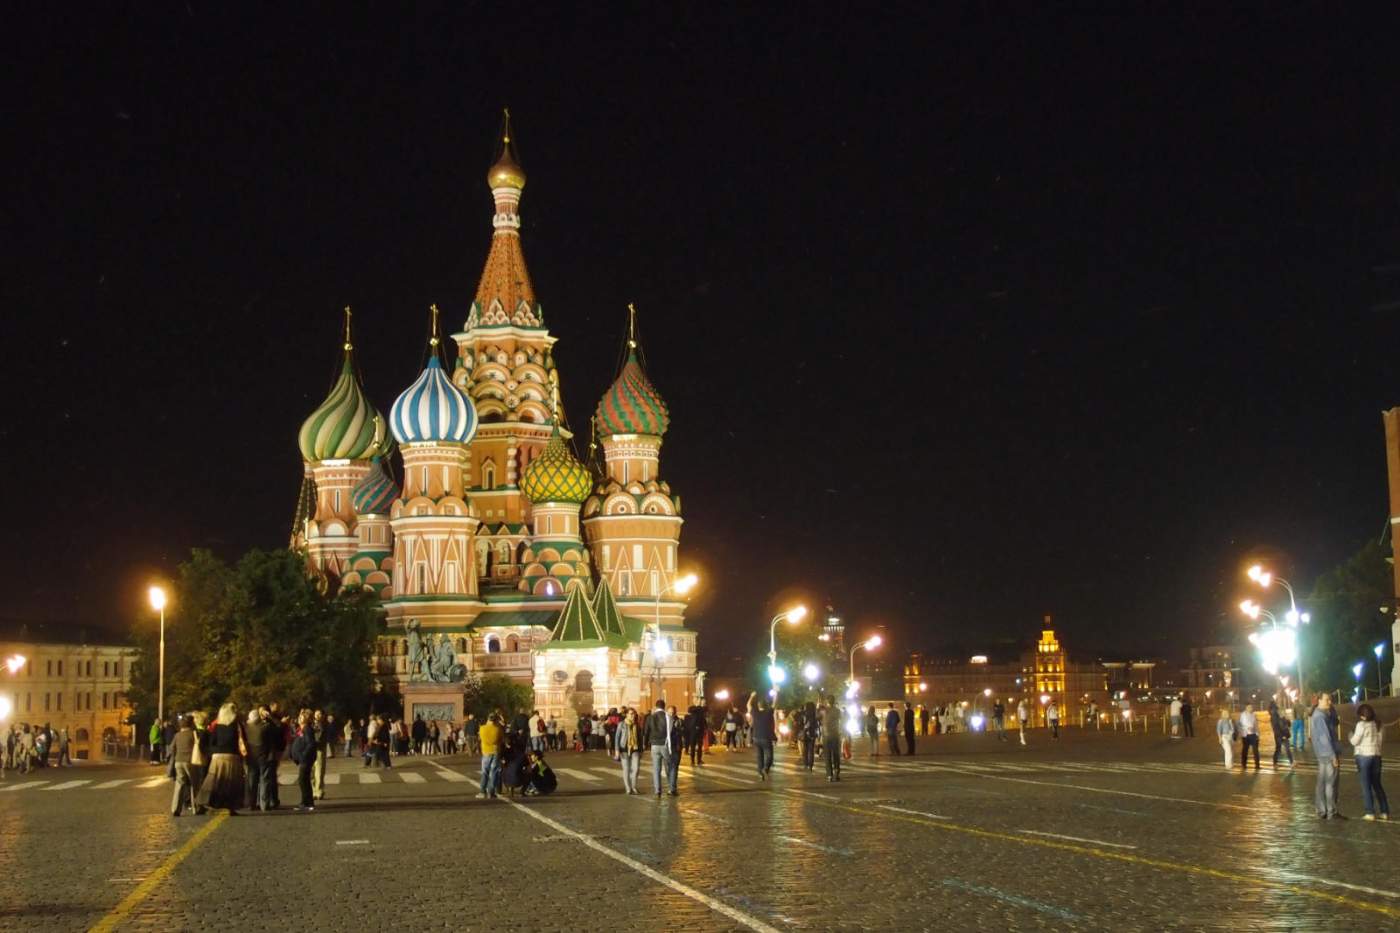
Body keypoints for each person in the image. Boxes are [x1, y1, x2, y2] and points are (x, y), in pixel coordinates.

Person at [196, 703, 246, 816]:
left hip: (218, 757)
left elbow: (211, 741)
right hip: (232, 757)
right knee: (231, 783)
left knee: (214, 782)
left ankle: (207, 803)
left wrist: (211, 752)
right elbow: (242, 741)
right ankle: (230, 807)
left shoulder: (217, 727)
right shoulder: (237, 726)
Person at [1350, 703, 1388, 821]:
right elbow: (1381, 742)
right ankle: (1384, 811)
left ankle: (1370, 812)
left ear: (1362, 716)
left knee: (1366, 785)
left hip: (1364, 756)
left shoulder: (1361, 725)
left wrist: (1350, 735)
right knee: (1377, 785)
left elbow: (1355, 741)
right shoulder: (1379, 724)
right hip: (1376, 756)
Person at [1311, 694, 1344, 819]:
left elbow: (1336, 723)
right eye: (1327, 699)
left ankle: (1322, 810)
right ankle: (1331, 811)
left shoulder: (1323, 714)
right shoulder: (1320, 716)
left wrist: (1332, 711)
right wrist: (1333, 755)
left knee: (1322, 783)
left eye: (1330, 699)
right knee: (1331, 783)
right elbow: (1325, 738)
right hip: (1327, 753)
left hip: (1323, 753)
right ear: (1319, 700)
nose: (1330, 702)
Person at [644, 700, 680, 796]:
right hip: (665, 744)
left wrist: (645, 744)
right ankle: (672, 788)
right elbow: (672, 730)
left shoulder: (650, 717)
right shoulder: (667, 717)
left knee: (656, 768)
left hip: (654, 745)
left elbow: (646, 732)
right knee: (671, 766)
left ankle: (657, 790)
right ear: (664, 707)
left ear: (656, 707)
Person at [169, 716, 202, 817]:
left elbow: (171, 748)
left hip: (178, 761)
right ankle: (196, 807)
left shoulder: (177, 735)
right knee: (194, 784)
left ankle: (175, 809)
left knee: (179, 785)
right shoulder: (193, 734)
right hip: (190, 761)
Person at [291, 711, 316, 812]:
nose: (299, 718)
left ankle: (305, 802)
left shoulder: (307, 729)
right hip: (302, 759)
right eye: (299, 717)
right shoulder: (301, 729)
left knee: (302, 781)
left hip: (306, 759)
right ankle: (308, 802)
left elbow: (310, 744)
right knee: (304, 780)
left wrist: (303, 755)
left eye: (301, 717)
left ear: (306, 719)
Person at [748, 693, 776, 781]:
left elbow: (748, 705)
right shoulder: (768, 712)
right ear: (766, 705)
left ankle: (760, 772)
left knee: (759, 756)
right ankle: (765, 768)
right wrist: (776, 693)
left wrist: (751, 696)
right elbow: (775, 703)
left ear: (758, 705)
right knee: (769, 756)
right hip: (766, 738)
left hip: (756, 737)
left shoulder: (755, 712)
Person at [476, 713, 503, 800]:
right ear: (495, 720)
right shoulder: (498, 729)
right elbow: (501, 739)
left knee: (485, 772)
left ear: (488, 719)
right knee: (494, 772)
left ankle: (482, 791)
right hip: (495, 751)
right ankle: (491, 792)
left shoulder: (482, 728)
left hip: (486, 752)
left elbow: (480, 738)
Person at [617, 708, 642, 794]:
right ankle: (628, 788)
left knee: (636, 769)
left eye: (634, 714)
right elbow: (617, 738)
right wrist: (617, 750)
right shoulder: (621, 724)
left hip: (635, 749)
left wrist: (641, 750)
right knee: (626, 769)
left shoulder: (637, 725)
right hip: (624, 749)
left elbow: (640, 738)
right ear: (627, 714)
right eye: (631, 714)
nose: (632, 715)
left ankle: (634, 786)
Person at [821, 696, 843, 782]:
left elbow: (817, 716)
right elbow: (841, 721)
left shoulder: (824, 711)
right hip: (835, 734)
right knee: (836, 754)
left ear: (827, 701)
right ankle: (836, 772)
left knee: (827, 755)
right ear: (834, 701)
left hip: (826, 735)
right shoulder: (838, 711)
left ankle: (829, 775)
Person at [1268, 700, 1294, 769]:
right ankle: (1275, 763)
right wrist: (1283, 735)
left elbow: (1287, 725)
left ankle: (1292, 762)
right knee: (1279, 749)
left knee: (1286, 749)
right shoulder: (1274, 716)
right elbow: (1276, 728)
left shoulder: (1279, 715)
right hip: (1280, 736)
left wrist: (1287, 719)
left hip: (1283, 735)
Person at [1238, 703, 1260, 772]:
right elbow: (1240, 725)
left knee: (1255, 750)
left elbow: (1256, 725)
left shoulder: (1254, 715)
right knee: (1245, 750)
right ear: (1246, 708)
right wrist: (1247, 728)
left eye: (1251, 707)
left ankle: (1257, 765)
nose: (1251, 708)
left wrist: (1257, 734)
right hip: (1246, 735)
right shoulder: (1243, 715)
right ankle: (1243, 764)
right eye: (1249, 707)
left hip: (1253, 735)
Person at [798, 702, 819, 771]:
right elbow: (817, 725)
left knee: (805, 749)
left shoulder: (803, 714)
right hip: (812, 734)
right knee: (811, 750)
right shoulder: (814, 715)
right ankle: (810, 765)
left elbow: (799, 723)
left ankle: (805, 764)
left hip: (805, 734)